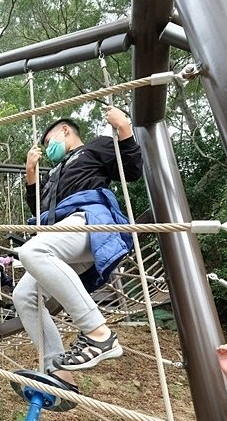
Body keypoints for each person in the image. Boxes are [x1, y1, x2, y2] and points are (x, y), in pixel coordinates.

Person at [14, 110, 143, 390]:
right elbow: (39, 209)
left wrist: (123, 128)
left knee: (32, 252)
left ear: (64, 131)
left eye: (49, 142)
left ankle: (99, 333)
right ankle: (58, 371)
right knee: (24, 294)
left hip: (88, 220)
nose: (49, 150)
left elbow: (131, 171)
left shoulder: (94, 148)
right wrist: (31, 173)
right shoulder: (55, 172)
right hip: (61, 234)